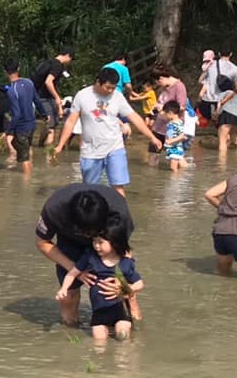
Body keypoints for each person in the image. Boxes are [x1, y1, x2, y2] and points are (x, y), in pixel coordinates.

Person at [35, 184, 137, 326]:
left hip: (107, 241)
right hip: (69, 241)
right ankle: (70, 330)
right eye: (86, 232)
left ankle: (133, 314)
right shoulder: (55, 208)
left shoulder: (118, 210)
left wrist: (122, 283)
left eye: (92, 232)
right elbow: (42, 243)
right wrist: (75, 270)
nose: (89, 237)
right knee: (68, 296)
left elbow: (123, 251)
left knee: (118, 289)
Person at [52, 67, 159, 196]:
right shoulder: (82, 96)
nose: (110, 91)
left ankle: (120, 215)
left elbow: (134, 117)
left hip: (115, 147)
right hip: (90, 150)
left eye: (113, 88)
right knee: (89, 190)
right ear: (98, 82)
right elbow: (70, 122)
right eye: (108, 87)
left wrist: (152, 137)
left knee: (118, 188)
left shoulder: (117, 96)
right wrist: (60, 145)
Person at [56, 215, 143, 341]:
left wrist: (127, 288)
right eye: (94, 241)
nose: (96, 246)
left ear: (115, 242)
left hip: (119, 313)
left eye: (101, 242)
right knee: (99, 342)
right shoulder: (91, 258)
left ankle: (124, 359)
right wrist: (63, 289)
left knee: (123, 334)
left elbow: (140, 284)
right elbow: (72, 273)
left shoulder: (124, 263)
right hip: (98, 315)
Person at [31, 47, 74, 146]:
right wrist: (57, 97)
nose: (69, 62)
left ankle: (40, 148)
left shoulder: (47, 63)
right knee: (51, 129)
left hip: (37, 96)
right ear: (67, 55)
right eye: (71, 59)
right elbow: (48, 82)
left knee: (48, 125)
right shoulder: (58, 66)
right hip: (46, 98)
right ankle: (48, 157)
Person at [3, 59, 38, 173]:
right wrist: (44, 114)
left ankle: (26, 183)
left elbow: (16, 114)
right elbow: (36, 99)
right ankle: (25, 172)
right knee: (24, 151)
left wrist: (9, 130)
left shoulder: (12, 90)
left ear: (5, 72)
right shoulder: (29, 82)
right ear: (18, 69)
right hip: (32, 125)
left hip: (21, 127)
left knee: (24, 158)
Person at [151, 66, 188, 163]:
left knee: (176, 158)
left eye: (158, 82)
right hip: (158, 127)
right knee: (152, 156)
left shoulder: (179, 86)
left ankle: (183, 175)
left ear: (161, 78)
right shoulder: (165, 87)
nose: (159, 85)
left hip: (172, 128)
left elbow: (182, 106)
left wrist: (163, 107)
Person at [216, 75, 237, 154]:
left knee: (222, 139)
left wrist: (217, 117)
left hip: (228, 115)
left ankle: (222, 162)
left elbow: (218, 109)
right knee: (233, 133)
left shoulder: (222, 94)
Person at [160, 101, 188, 171]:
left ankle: (175, 180)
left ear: (170, 113)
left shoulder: (177, 123)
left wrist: (172, 140)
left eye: (166, 114)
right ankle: (184, 176)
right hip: (173, 147)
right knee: (183, 166)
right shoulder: (173, 122)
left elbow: (182, 135)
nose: (165, 116)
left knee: (173, 168)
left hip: (175, 148)